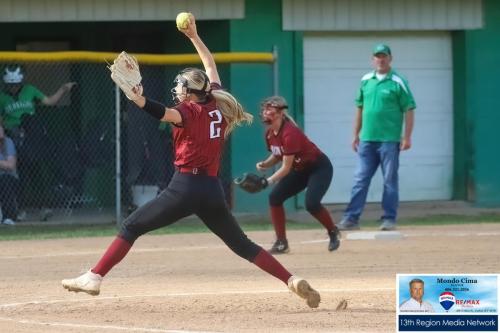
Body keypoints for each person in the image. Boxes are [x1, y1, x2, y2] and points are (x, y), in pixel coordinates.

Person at [61, 14, 321, 308]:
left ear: (188, 92)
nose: (178, 90)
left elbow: (159, 112)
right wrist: (194, 36)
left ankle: (94, 277)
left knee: (132, 226)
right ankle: (290, 279)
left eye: (181, 86)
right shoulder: (217, 102)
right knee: (243, 245)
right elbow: (209, 64)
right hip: (211, 189)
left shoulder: (187, 111)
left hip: (183, 187)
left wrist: (137, 99)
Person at [337, 44, 415, 231]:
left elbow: (409, 109)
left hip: (389, 140)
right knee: (360, 179)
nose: (381, 60)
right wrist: (355, 134)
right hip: (367, 140)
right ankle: (351, 219)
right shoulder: (366, 80)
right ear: (372, 59)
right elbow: (359, 109)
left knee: (389, 180)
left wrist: (407, 137)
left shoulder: (398, 81)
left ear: (390, 58)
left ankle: (389, 218)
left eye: (384, 56)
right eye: (377, 56)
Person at [255, 96, 340, 254]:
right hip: (300, 170)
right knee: (275, 198)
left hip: (318, 167)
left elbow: (286, 167)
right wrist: (265, 164)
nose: (266, 112)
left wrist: (268, 181)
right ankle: (281, 242)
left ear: (280, 113)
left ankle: (332, 231)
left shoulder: (290, 133)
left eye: (270, 109)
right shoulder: (269, 134)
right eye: (265, 109)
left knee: (312, 204)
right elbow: (278, 154)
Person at [0, 65, 76, 221]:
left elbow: (48, 101)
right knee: (19, 173)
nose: (13, 88)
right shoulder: (2, 96)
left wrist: (62, 89)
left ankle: (43, 208)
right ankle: (18, 209)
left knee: (37, 169)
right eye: (10, 85)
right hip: (13, 136)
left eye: (16, 85)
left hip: (31, 135)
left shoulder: (29, 90)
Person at [0, 118, 19, 226]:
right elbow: (6, 164)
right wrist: (3, 163)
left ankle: (8, 217)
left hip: (8, 177)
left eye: (1, 127)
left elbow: (10, 165)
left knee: (5, 180)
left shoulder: (8, 142)